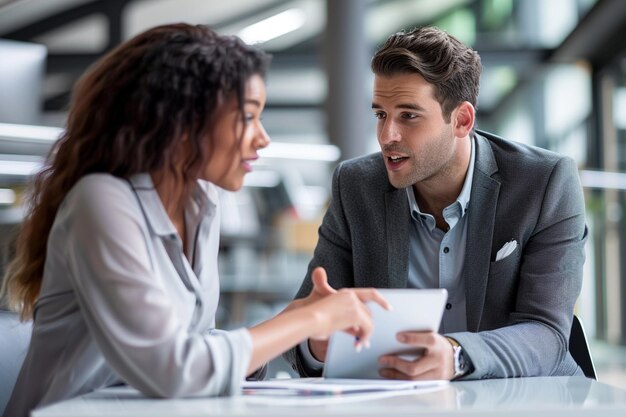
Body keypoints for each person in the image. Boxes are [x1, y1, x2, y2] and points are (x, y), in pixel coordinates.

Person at [0, 23, 390, 417]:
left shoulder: (202, 201)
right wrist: (308, 320)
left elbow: (191, 343)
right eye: (248, 117)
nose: (263, 138)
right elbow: (174, 369)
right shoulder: (101, 201)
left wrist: (290, 320)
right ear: (183, 121)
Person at [284, 26, 588, 381]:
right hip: (398, 399)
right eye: (381, 114)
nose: (386, 136)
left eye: (408, 116)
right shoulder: (356, 186)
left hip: (526, 396)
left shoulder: (544, 182)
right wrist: (316, 344)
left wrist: (457, 356)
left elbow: (547, 333)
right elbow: (306, 322)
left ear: (461, 120)